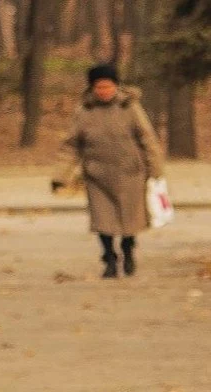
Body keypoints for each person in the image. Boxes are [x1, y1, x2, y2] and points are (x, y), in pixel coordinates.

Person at [51, 64, 164, 278]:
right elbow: (71, 145)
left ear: (116, 86)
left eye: (108, 86)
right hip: (97, 176)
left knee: (130, 221)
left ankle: (128, 250)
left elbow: (147, 139)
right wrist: (60, 175)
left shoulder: (129, 107)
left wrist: (155, 169)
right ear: (92, 88)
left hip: (130, 173)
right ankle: (109, 258)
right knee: (103, 221)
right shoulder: (85, 110)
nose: (104, 91)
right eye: (99, 87)